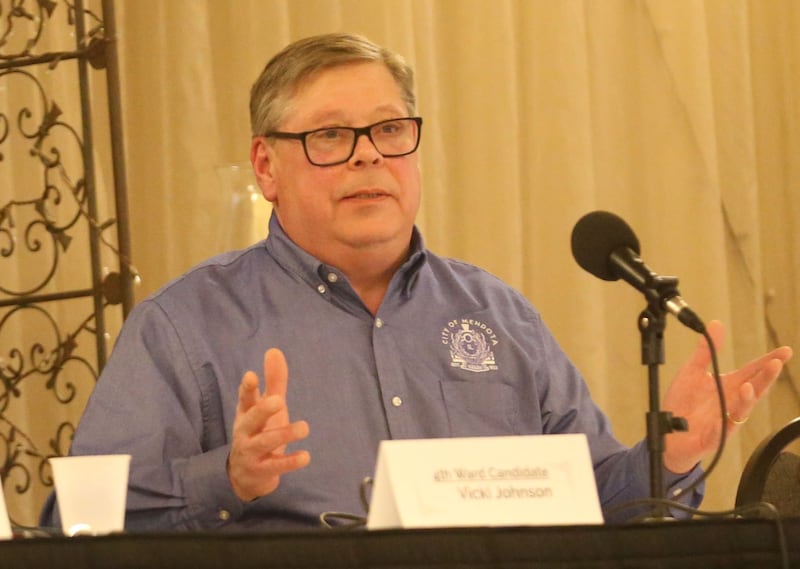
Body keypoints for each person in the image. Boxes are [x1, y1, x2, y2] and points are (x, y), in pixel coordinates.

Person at [40, 33, 792, 532]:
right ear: (267, 166)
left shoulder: (497, 314)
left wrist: (676, 453)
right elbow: (70, 519)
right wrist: (226, 477)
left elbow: (593, 497)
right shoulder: (187, 324)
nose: (369, 156)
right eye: (331, 136)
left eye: (390, 129)